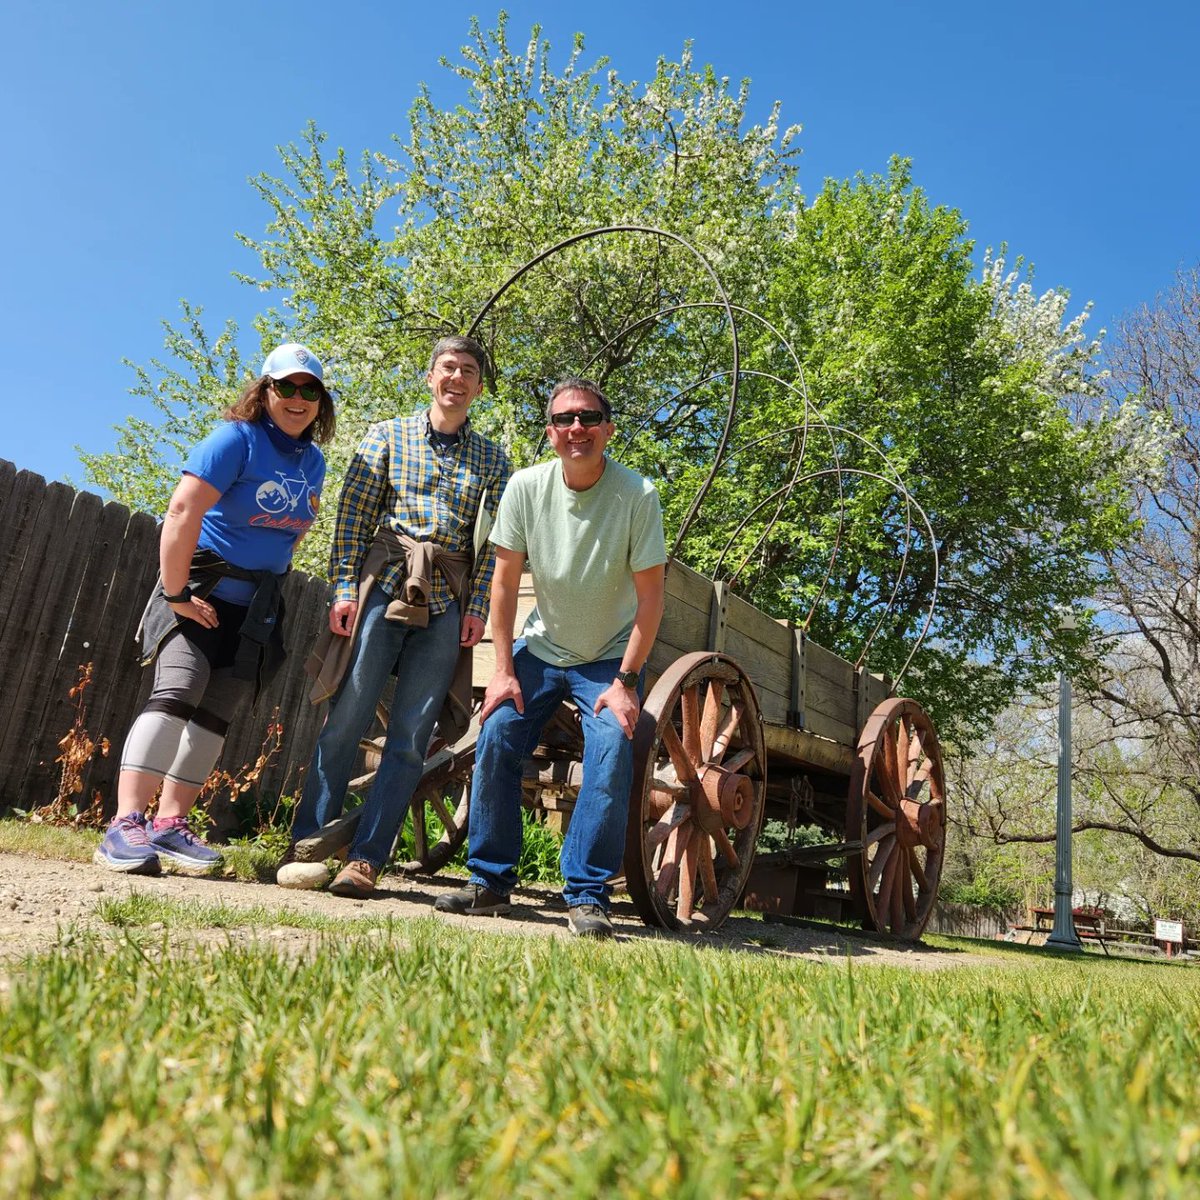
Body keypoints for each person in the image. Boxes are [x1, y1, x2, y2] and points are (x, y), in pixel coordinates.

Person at [435, 377, 667, 938]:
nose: (577, 428)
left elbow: (652, 597)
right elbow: (505, 586)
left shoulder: (636, 496)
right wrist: (504, 673)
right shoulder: (526, 487)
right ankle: (490, 881)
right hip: (539, 648)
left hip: (607, 659)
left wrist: (627, 682)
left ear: (608, 430)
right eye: (565, 420)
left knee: (612, 745)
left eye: (589, 418)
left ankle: (586, 895)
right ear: (551, 433)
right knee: (497, 732)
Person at [280, 335, 510, 898]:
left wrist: (475, 608)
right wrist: (343, 590)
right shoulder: (387, 435)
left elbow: (495, 545)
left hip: (447, 596)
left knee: (411, 736)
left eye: (468, 371)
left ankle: (366, 860)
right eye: (448, 368)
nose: (456, 378)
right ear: (430, 377)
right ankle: (307, 843)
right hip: (384, 583)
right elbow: (353, 518)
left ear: (479, 388)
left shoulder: (494, 461)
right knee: (348, 716)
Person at [94, 343, 333, 875]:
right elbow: (182, 510)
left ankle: (170, 826)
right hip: (200, 597)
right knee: (177, 694)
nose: (297, 398)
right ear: (264, 390)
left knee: (214, 716)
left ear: (321, 400)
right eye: (286, 387)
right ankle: (124, 825)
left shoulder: (313, 461)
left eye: (309, 389)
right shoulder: (235, 439)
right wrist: (177, 595)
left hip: (255, 613)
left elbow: (294, 534)